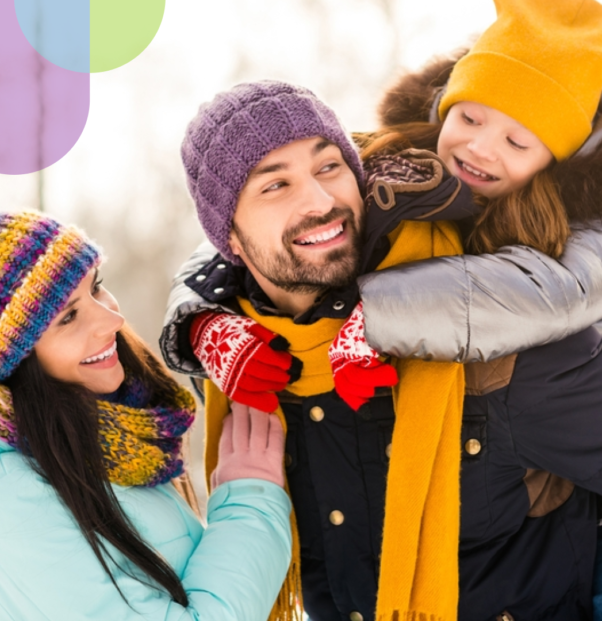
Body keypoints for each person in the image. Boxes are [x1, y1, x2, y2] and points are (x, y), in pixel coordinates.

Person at [161, 1, 602, 619]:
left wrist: (378, 319)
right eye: (275, 183)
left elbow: (566, 289)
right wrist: (197, 324)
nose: (319, 199)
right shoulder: (250, 367)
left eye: (327, 166)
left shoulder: (521, 342)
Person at [0, 210, 292, 621]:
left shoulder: (99, 442)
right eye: (68, 317)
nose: (112, 319)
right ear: (10, 364)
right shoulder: (4, 501)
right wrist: (249, 505)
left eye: (98, 287)